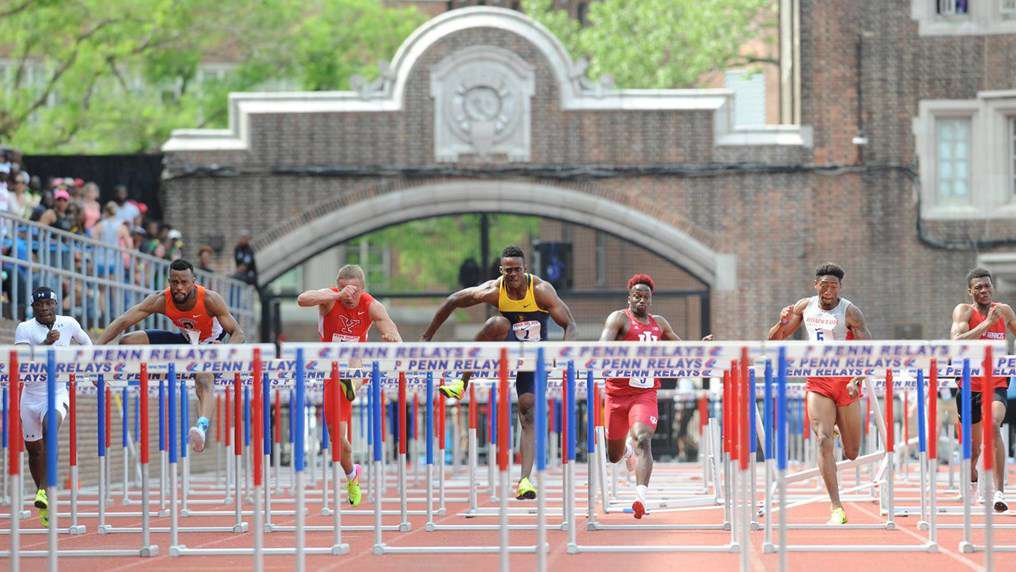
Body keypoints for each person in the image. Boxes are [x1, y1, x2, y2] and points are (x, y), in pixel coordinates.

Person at [421, 245, 577, 500]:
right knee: (497, 322)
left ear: (525, 270)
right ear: (501, 270)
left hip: (534, 357)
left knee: (528, 412)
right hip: (506, 347)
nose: (513, 275)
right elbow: (453, 301)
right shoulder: (494, 290)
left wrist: (562, 355)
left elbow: (569, 324)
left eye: (517, 270)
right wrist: (427, 337)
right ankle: (462, 383)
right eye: (508, 270)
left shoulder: (541, 291)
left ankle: (525, 480)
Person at [97, 259, 245, 453]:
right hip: (184, 343)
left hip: (208, 346)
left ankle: (201, 427)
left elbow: (238, 333)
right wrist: (96, 350)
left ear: (194, 281)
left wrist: (223, 351)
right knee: (127, 341)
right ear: (169, 281)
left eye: (184, 282)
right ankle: (139, 376)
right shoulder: (161, 299)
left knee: (203, 378)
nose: (179, 288)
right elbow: (124, 320)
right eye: (174, 282)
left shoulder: (209, 299)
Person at [767, 262, 871, 525]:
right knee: (823, 439)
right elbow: (775, 340)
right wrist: (780, 322)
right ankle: (836, 506)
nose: (828, 291)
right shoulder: (804, 307)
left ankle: (836, 423)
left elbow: (869, 349)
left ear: (839, 289)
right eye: (823, 285)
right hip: (818, 380)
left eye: (833, 286)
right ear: (816, 286)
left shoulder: (850, 312)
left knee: (852, 452)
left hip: (845, 380)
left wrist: (857, 378)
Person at [297, 264, 402, 506]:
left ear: (363, 289)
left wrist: (392, 340)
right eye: (345, 289)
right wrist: (336, 294)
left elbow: (392, 331)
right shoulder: (330, 298)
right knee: (337, 440)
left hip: (354, 368)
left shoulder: (372, 305)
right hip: (330, 374)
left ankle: (354, 382)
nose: (349, 295)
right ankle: (352, 475)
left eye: (354, 290)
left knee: (358, 359)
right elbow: (302, 299)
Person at [599, 274, 681, 519]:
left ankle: (641, 497)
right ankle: (625, 452)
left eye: (645, 297)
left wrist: (702, 346)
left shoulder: (659, 324)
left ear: (651, 300)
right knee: (612, 456)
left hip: (644, 393)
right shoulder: (618, 319)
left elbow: (682, 347)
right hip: (617, 394)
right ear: (630, 298)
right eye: (637, 296)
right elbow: (602, 347)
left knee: (643, 439)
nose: (641, 300)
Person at [15, 287, 92, 526]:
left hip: (57, 392)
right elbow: (19, 358)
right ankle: (43, 498)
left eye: (49, 304)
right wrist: (45, 344)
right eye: (40, 305)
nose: (45, 308)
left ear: (56, 305)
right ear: (33, 308)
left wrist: (81, 367)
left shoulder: (68, 323)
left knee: (50, 432)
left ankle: (44, 492)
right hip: (30, 395)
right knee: (34, 450)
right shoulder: (25, 328)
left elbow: (87, 345)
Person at [949, 267, 1015, 513]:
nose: (984, 290)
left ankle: (999, 491)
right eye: (978, 287)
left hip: (995, 381)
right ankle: (973, 479)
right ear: (970, 292)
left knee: (992, 424)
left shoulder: (1004, 310)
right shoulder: (963, 311)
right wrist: (987, 325)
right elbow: (956, 342)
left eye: (987, 286)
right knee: (973, 448)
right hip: (969, 385)